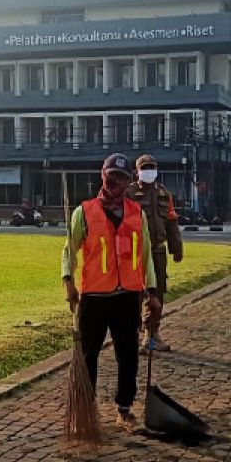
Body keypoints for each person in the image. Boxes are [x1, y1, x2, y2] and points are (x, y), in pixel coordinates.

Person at [61, 153, 162, 426]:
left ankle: (124, 407)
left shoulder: (135, 212)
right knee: (88, 355)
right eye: (112, 176)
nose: (116, 183)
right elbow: (69, 249)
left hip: (127, 296)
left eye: (122, 178)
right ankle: (86, 409)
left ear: (129, 181)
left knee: (128, 355)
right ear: (103, 175)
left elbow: (145, 256)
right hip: (94, 296)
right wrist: (68, 280)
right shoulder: (84, 212)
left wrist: (152, 292)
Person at [126, 154, 184, 351]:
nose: (149, 170)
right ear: (137, 171)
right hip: (135, 252)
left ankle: (152, 335)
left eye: (152, 167)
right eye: (145, 167)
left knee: (157, 294)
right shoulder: (130, 194)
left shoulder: (164, 194)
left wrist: (177, 248)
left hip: (158, 251)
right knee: (134, 295)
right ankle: (133, 335)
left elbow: (171, 221)